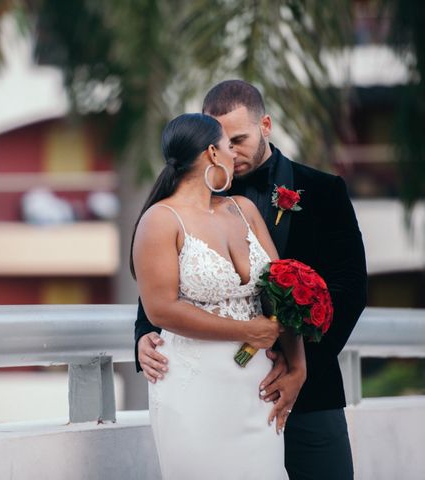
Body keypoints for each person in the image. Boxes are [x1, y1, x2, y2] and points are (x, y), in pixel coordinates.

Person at [135, 80, 367, 480]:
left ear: (266, 125)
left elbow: (349, 288)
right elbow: (163, 287)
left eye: (238, 138)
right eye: (223, 140)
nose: (233, 149)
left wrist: (298, 365)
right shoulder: (187, 203)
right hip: (215, 388)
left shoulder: (324, 190)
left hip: (310, 385)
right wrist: (144, 333)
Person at [131, 112, 306, 479]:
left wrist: (296, 366)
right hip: (195, 386)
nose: (234, 155)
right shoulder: (160, 220)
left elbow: (283, 286)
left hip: (257, 385)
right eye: (228, 146)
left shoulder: (242, 209)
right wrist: (246, 332)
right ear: (212, 153)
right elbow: (161, 309)